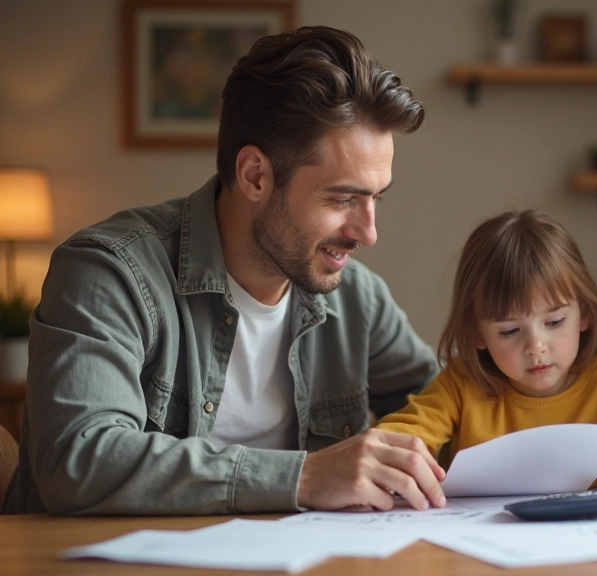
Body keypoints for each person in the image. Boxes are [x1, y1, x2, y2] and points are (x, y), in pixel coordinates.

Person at [4, 26, 448, 515]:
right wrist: (306, 476)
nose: (368, 233)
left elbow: (453, 409)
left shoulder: (357, 299)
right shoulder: (109, 273)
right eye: (343, 198)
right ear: (255, 175)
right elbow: (78, 460)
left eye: (374, 198)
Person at [377, 210, 597, 501]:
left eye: (554, 322)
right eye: (509, 331)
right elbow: (399, 440)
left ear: (585, 314)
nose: (535, 346)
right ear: (478, 335)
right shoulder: (460, 385)